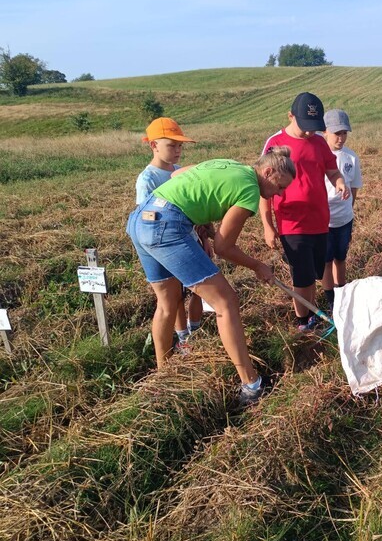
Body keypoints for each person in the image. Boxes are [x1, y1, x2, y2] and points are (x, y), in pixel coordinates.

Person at [126, 152, 296, 406]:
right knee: (226, 303)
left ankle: (164, 375)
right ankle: (252, 385)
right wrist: (258, 265)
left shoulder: (230, 164)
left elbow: (178, 175)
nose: (279, 194)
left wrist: (201, 219)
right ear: (268, 172)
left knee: (167, 302)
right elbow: (223, 248)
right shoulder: (250, 189)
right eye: (280, 187)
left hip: (141, 219)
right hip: (167, 228)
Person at [259, 93, 350, 331]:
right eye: (306, 127)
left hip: (320, 220)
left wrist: (339, 181)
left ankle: (311, 315)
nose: (310, 132)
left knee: (317, 273)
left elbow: (332, 170)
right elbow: (263, 187)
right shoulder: (275, 143)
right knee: (302, 276)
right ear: (290, 116)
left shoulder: (320, 142)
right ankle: (303, 323)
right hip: (292, 222)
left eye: (315, 127)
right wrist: (268, 226)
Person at [135, 117, 203, 354]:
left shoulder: (180, 172)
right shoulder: (148, 179)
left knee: (197, 289)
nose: (177, 151)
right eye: (171, 145)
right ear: (153, 145)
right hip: (166, 245)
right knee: (173, 298)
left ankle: (195, 332)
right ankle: (183, 337)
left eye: (180, 146)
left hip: (190, 239)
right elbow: (146, 218)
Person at [320, 108, 363, 312]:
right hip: (323, 221)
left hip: (344, 219)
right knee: (326, 260)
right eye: (337, 133)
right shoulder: (319, 157)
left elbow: (354, 186)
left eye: (344, 133)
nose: (341, 137)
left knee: (341, 257)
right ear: (324, 132)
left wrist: (348, 208)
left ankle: (341, 291)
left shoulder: (351, 157)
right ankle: (330, 298)